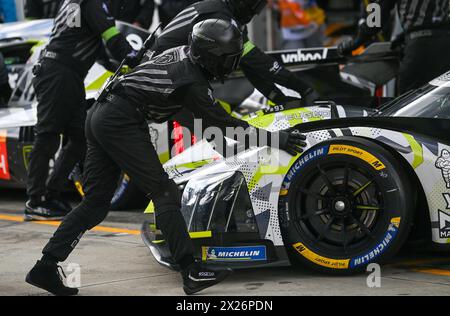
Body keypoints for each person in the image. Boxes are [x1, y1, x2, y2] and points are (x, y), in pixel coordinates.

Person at [25, 19, 307, 296]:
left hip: (101, 113)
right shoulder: (192, 82)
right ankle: (191, 270)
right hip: (120, 120)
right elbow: (226, 124)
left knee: (96, 204)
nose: (233, 65)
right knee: (163, 190)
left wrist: (222, 146)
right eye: (230, 59)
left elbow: (192, 117)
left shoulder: (183, 57)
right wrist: (276, 138)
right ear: (213, 57)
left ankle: (46, 265)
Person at [24, 0, 136, 221]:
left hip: (66, 74)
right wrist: (136, 59)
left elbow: (96, 45)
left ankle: (51, 193)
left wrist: (121, 64)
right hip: (58, 73)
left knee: (80, 138)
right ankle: (35, 201)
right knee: (47, 136)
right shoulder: (92, 3)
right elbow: (112, 37)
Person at [151, 0, 317, 107]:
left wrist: (278, 99)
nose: (254, 12)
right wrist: (305, 89)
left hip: (172, 72)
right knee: (215, 118)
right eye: (254, 5)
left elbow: (249, 66)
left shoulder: (224, 12)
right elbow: (260, 63)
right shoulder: (221, 17)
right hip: (166, 76)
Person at [338, 0, 450, 94]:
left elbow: (377, 15)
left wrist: (356, 42)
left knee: (409, 101)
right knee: (442, 97)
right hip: (444, 45)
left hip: (418, 48)